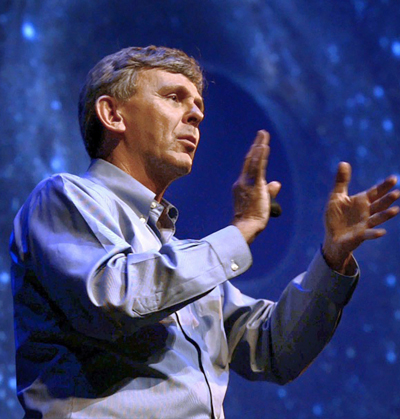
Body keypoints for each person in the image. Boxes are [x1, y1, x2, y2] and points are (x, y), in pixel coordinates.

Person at [10, 45, 399, 419]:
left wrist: (333, 257)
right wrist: (242, 229)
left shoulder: (184, 260)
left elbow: (274, 349)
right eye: (174, 97)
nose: (195, 115)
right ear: (113, 114)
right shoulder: (62, 198)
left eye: (198, 106)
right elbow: (114, 296)